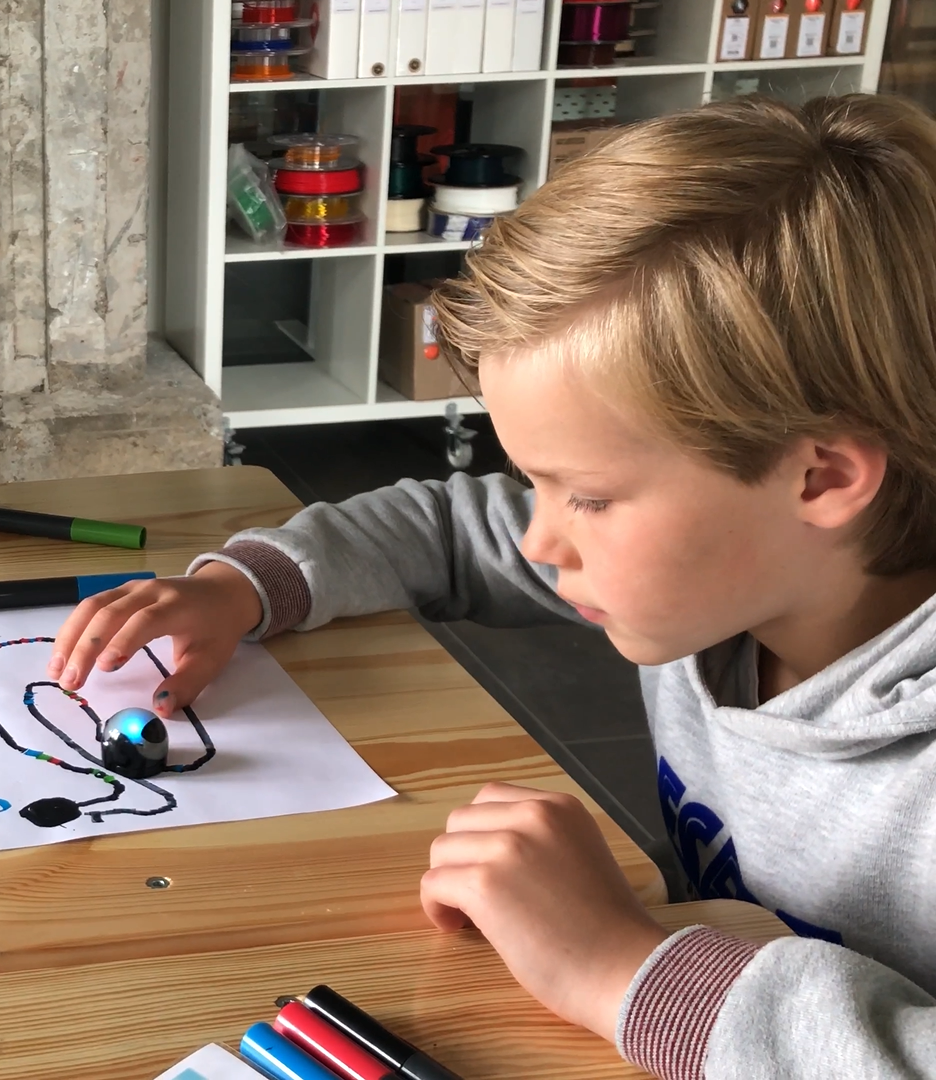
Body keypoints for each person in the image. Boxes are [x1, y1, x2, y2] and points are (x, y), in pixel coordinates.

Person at [50, 93, 936, 1078]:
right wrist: (246, 587)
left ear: (822, 479)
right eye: (534, 482)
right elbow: (444, 527)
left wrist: (623, 971)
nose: (540, 537)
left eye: (588, 497)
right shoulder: (747, 573)